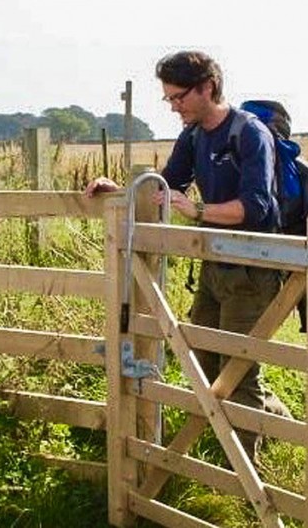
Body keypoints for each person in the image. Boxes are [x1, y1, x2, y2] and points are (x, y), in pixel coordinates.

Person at [84, 49, 290, 461]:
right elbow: (163, 186)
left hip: (253, 269)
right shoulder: (194, 136)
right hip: (214, 265)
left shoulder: (249, 134)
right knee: (204, 363)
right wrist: (120, 192)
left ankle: (246, 476)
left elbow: (256, 208)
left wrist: (195, 210)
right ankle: (278, 425)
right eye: (169, 100)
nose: (174, 107)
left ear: (207, 87)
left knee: (239, 371)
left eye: (179, 98)